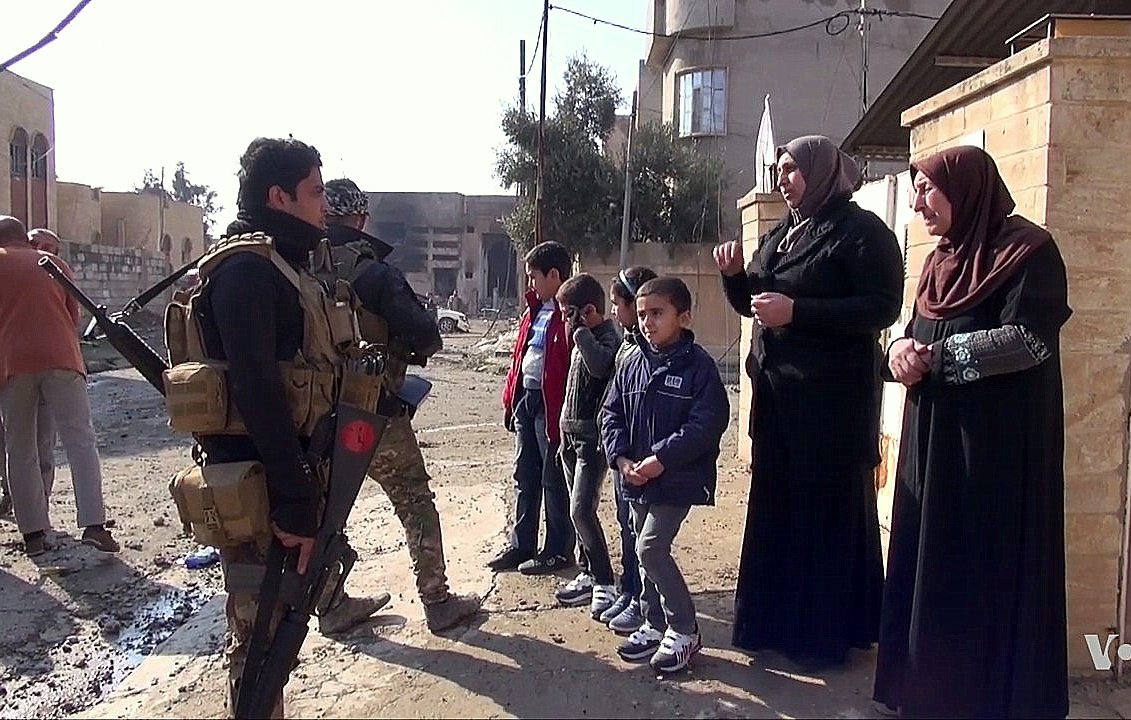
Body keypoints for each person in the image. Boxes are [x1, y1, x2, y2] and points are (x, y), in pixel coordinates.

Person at [179, 137, 377, 718]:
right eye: (314, 192)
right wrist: (293, 502)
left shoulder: (281, 265)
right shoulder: (246, 271)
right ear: (278, 196)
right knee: (261, 640)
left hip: (286, 475)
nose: (324, 205)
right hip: (259, 485)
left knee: (275, 639)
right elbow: (257, 391)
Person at [873, 146, 1070, 719]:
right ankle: (928, 688)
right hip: (932, 446)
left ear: (966, 190)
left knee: (983, 568)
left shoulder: (1030, 252)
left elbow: (1030, 340)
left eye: (927, 190)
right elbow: (913, 330)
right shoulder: (940, 262)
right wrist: (899, 352)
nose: (917, 203)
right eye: (913, 190)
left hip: (996, 454)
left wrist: (936, 357)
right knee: (930, 561)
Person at [715, 135, 903, 670]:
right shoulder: (784, 231)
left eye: (792, 169)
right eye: (779, 170)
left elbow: (880, 308)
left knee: (825, 520)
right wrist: (733, 277)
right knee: (779, 514)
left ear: (821, 173)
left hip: (832, 410)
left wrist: (799, 312)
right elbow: (757, 302)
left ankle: (822, 639)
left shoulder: (862, 232)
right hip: (780, 408)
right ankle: (773, 628)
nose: (783, 179)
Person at [322, 178, 480, 633]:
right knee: (413, 498)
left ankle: (330, 603)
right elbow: (426, 333)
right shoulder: (373, 273)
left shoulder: (295, 268)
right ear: (361, 219)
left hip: (313, 414)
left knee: (325, 512)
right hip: (372, 410)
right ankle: (437, 600)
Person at [601, 277, 729, 674]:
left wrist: (660, 458)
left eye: (657, 313)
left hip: (676, 479)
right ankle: (653, 623)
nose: (647, 322)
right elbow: (611, 414)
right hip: (635, 478)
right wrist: (621, 460)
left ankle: (685, 629)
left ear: (684, 316)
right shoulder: (632, 363)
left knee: (650, 549)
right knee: (642, 553)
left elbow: (707, 422)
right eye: (641, 315)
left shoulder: (699, 367)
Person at [0, 218, 117, 557]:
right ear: (26, 238)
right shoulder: (52, 264)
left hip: (12, 365)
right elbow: (73, 318)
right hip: (62, 360)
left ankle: (34, 534)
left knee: (19, 449)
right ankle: (94, 526)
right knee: (80, 441)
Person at [489, 241, 574, 575]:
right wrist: (511, 401)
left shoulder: (570, 315)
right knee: (524, 476)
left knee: (552, 480)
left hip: (553, 409)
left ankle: (557, 549)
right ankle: (521, 544)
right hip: (527, 401)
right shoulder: (534, 311)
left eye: (534, 277)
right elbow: (520, 358)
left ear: (554, 275)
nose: (530, 285)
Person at [551, 273, 620, 618]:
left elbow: (599, 368)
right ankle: (588, 572)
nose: (564, 320)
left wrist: (579, 332)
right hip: (571, 436)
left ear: (588, 310)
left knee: (582, 510)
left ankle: (605, 581)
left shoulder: (606, 338)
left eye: (568, 313)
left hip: (592, 443)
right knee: (575, 510)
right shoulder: (583, 337)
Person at [598, 266, 657, 634]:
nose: (616, 313)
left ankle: (643, 603)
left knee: (643, 536)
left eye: (620, 304)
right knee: (625, 525)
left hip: (645, 461)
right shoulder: (628, 345)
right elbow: (613, 404)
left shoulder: (652, 350)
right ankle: (629, 588)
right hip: (624, 458)